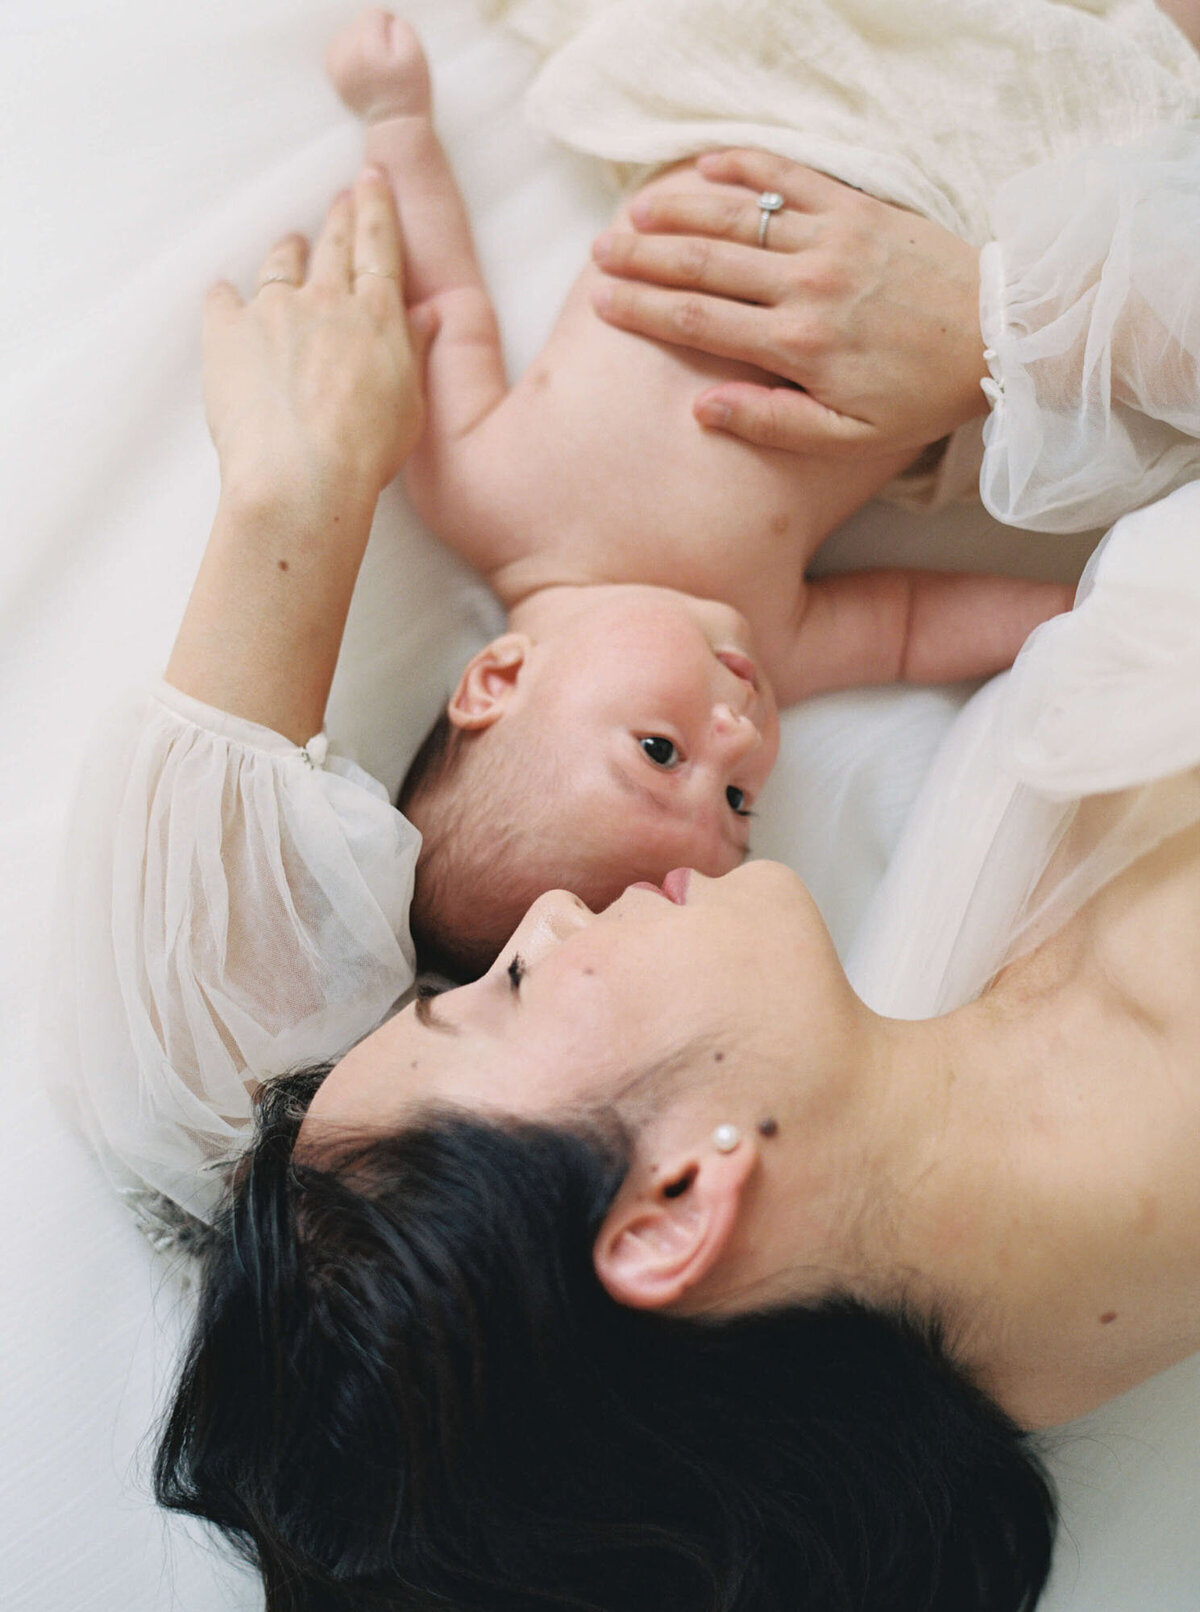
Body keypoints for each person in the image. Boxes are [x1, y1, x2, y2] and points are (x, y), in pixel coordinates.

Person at [150, 129, 1200, 1612]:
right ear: (673, 1208)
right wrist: (1010, 320)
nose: (558, 910)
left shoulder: (943, 1097)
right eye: (507, 992)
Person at [332, 0, 1200, 975]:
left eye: (662, 754)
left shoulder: (483, 493)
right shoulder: (770, 637)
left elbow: (444, 297)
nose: (740, 738)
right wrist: (1100, 610)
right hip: (965, 224)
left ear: (499, 679)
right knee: (1129, 78)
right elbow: (916, 625)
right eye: (740, 803)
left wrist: (395, 121)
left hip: (773, 116)